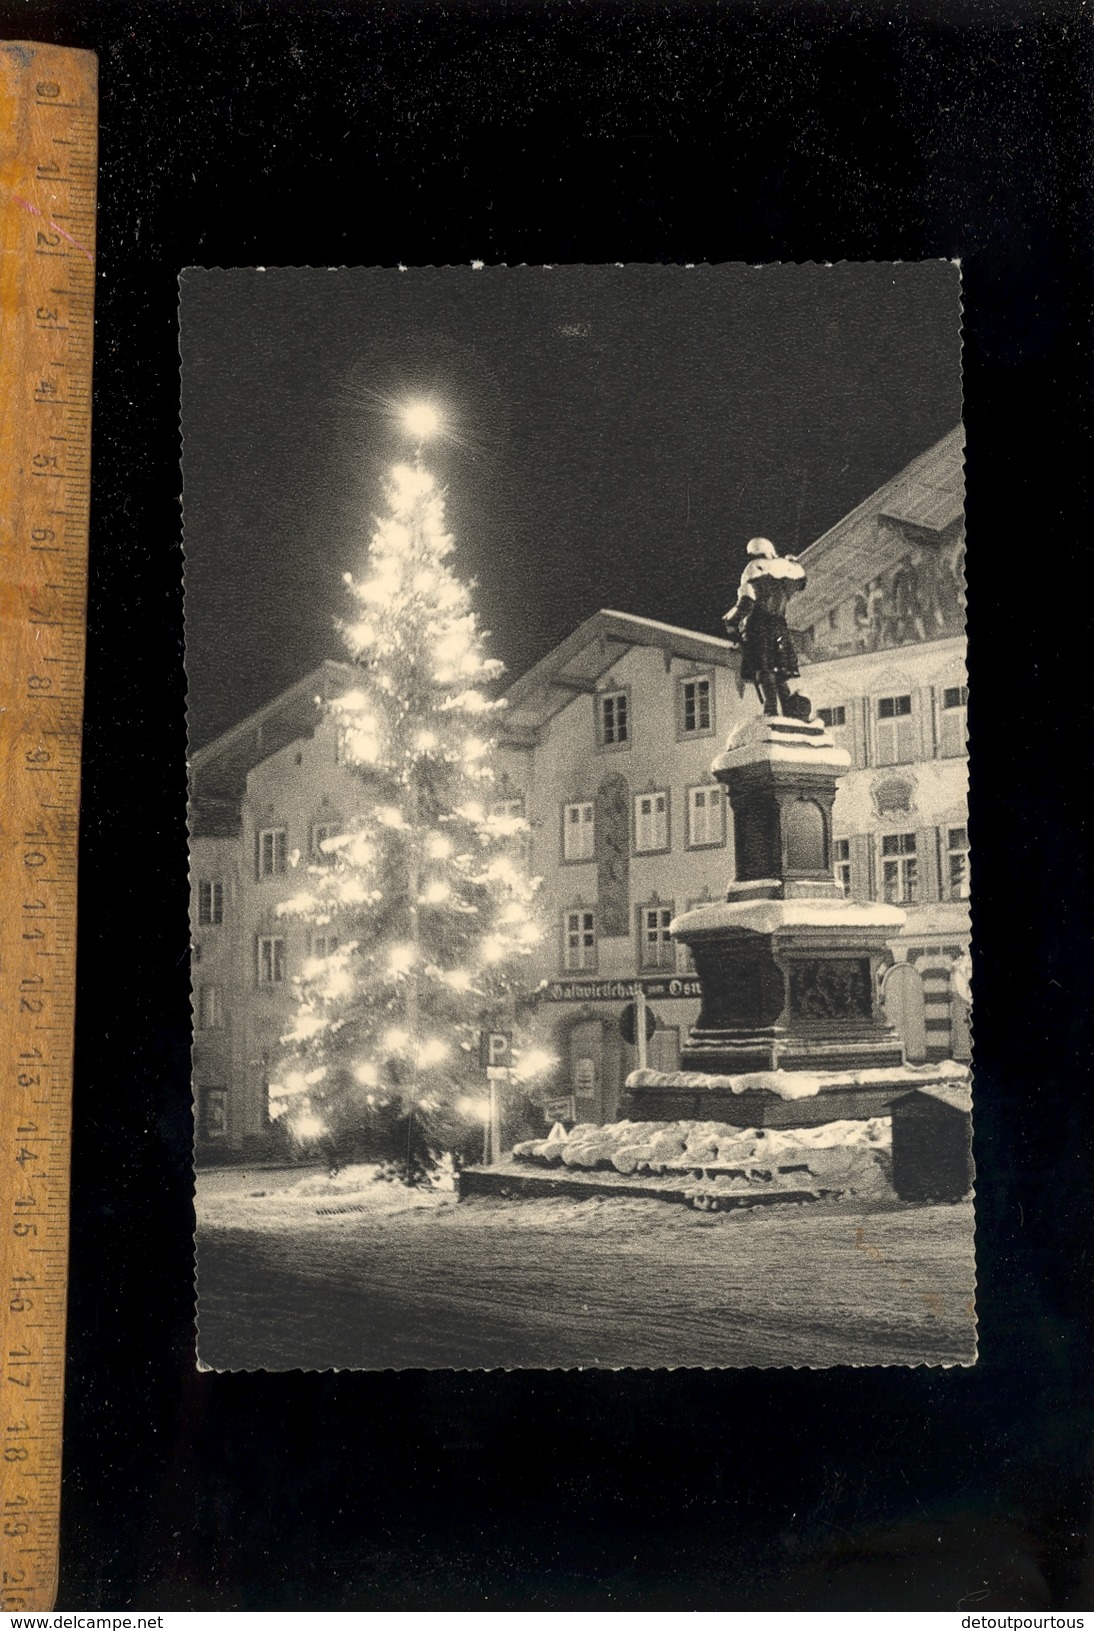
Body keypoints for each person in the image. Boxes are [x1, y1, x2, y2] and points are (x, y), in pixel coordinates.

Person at [722, 537, 811, 717]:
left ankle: (770, 708)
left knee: (765, 669)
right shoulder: (787, 574)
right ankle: (787, 709)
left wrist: (731, 621)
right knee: (779, 671)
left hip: (759, 628)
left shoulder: (754, 570)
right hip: (780, 627)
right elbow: (801, 581)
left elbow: (746, 603)